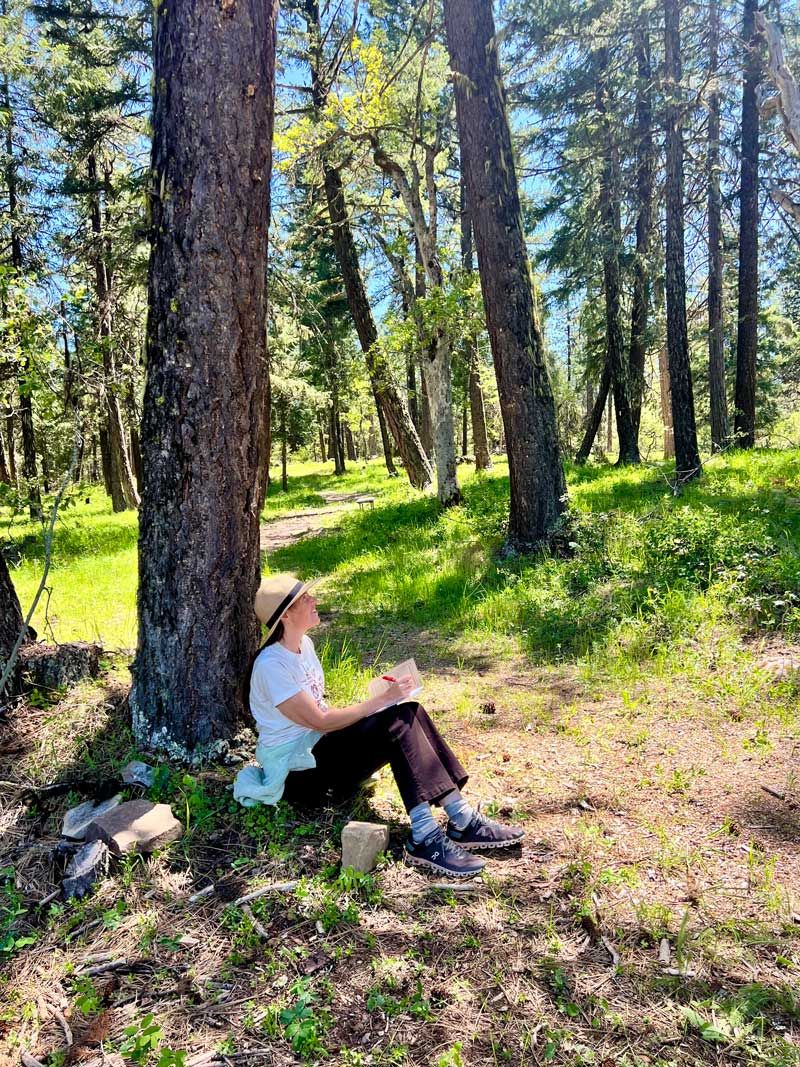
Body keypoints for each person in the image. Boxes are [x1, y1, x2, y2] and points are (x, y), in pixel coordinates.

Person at [234, 573, 524, 878]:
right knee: (394, 722)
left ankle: (461, 819)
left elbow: (321, 713)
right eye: (306, 598)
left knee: (410, 710)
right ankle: (425, 837)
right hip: (299, 776)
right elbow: (319, 720)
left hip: (318, 750)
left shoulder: (304, 645)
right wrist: (378, 703)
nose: (315, 601)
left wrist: (385, 701)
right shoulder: (271, 666)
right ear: (287, 614)